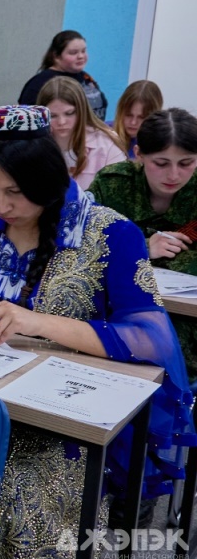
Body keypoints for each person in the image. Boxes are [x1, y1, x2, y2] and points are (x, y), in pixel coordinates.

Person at [0, 105, 196, 559]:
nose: (1, 206)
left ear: (47, 181)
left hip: (61, 419)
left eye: (16, 192)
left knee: (16, 491)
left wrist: (37, 323)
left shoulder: (109, 233)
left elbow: (151, 338)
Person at [90, 108, 197, 378]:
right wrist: (141, 248)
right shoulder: (112, 184)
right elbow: (81, 247)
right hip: (117, 313)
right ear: (138, 154)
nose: (174, 175)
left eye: (186, 163)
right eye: (161, 163)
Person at [36, 75, 125, 189]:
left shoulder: (107, 144)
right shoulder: (32, 146)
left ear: (82, 111)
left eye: (69, 113)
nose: (62, 122)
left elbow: (119, 192)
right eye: (52, 116)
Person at [18, 29, 107, 118]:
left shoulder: (85, 77)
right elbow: (27, 119)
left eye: (83, 51)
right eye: (73, 53)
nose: (81, 56)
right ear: (56, 56)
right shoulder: (39, 83)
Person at [111, 79, 164, 159]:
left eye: (141, 117)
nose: (133, 122)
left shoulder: (164, 143)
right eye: (128, 115)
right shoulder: (104, 134)